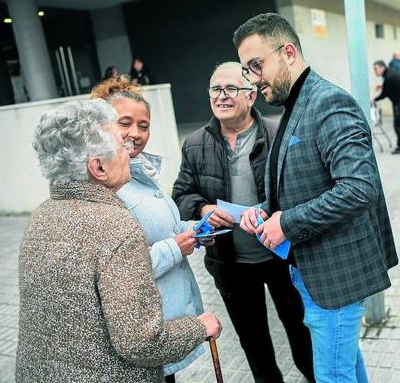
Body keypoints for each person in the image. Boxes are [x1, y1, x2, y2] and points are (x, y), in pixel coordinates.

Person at [234, 13, 398, 383]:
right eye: (248, 70)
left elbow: (358, 187)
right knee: (346, 367)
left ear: (288, 52)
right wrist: (263, 211)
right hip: (313, 274)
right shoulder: (296, 103)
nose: (253, 80)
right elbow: (302, 183)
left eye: (256, 66)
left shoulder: (328, 102)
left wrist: (286, 223)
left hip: (335, 278)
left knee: (332, 376)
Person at [16, 99, 222, 383]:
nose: (130, 150)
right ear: (98, 168)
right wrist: (198, 327)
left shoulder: (42, 216)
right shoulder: (115, 226)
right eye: (120, 146)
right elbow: (141, 341)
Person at [172, 62, 315, 383]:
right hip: (231, 264)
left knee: (301, 334)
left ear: (251, 96)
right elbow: (181, 195)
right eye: (215, 89)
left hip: (284, 258)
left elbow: (303, 192)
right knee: (254, 344)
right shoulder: (196, 144)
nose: (221, 96)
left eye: (230, 89)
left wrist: (273, 211)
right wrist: (204, 207)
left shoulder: (280, 135)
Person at [90, 77, 214, 383]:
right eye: (125, 123)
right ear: (104, 126)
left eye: (143, 125)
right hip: (141, 326)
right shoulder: (106, 183)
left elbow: (165, 229)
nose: (135, 133)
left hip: (163, 321)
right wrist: (176, 247)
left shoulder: (141, 171)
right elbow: (119, 269)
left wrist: (194, 230)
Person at [373, 60, 400, 154]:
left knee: (399, 124)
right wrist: (382, 87)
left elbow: (385, 93)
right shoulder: (391, 73)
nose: (375, 71)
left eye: (375, 69)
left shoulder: (389, 76)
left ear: (382, 68)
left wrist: (374, 100)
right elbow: (391, 87)